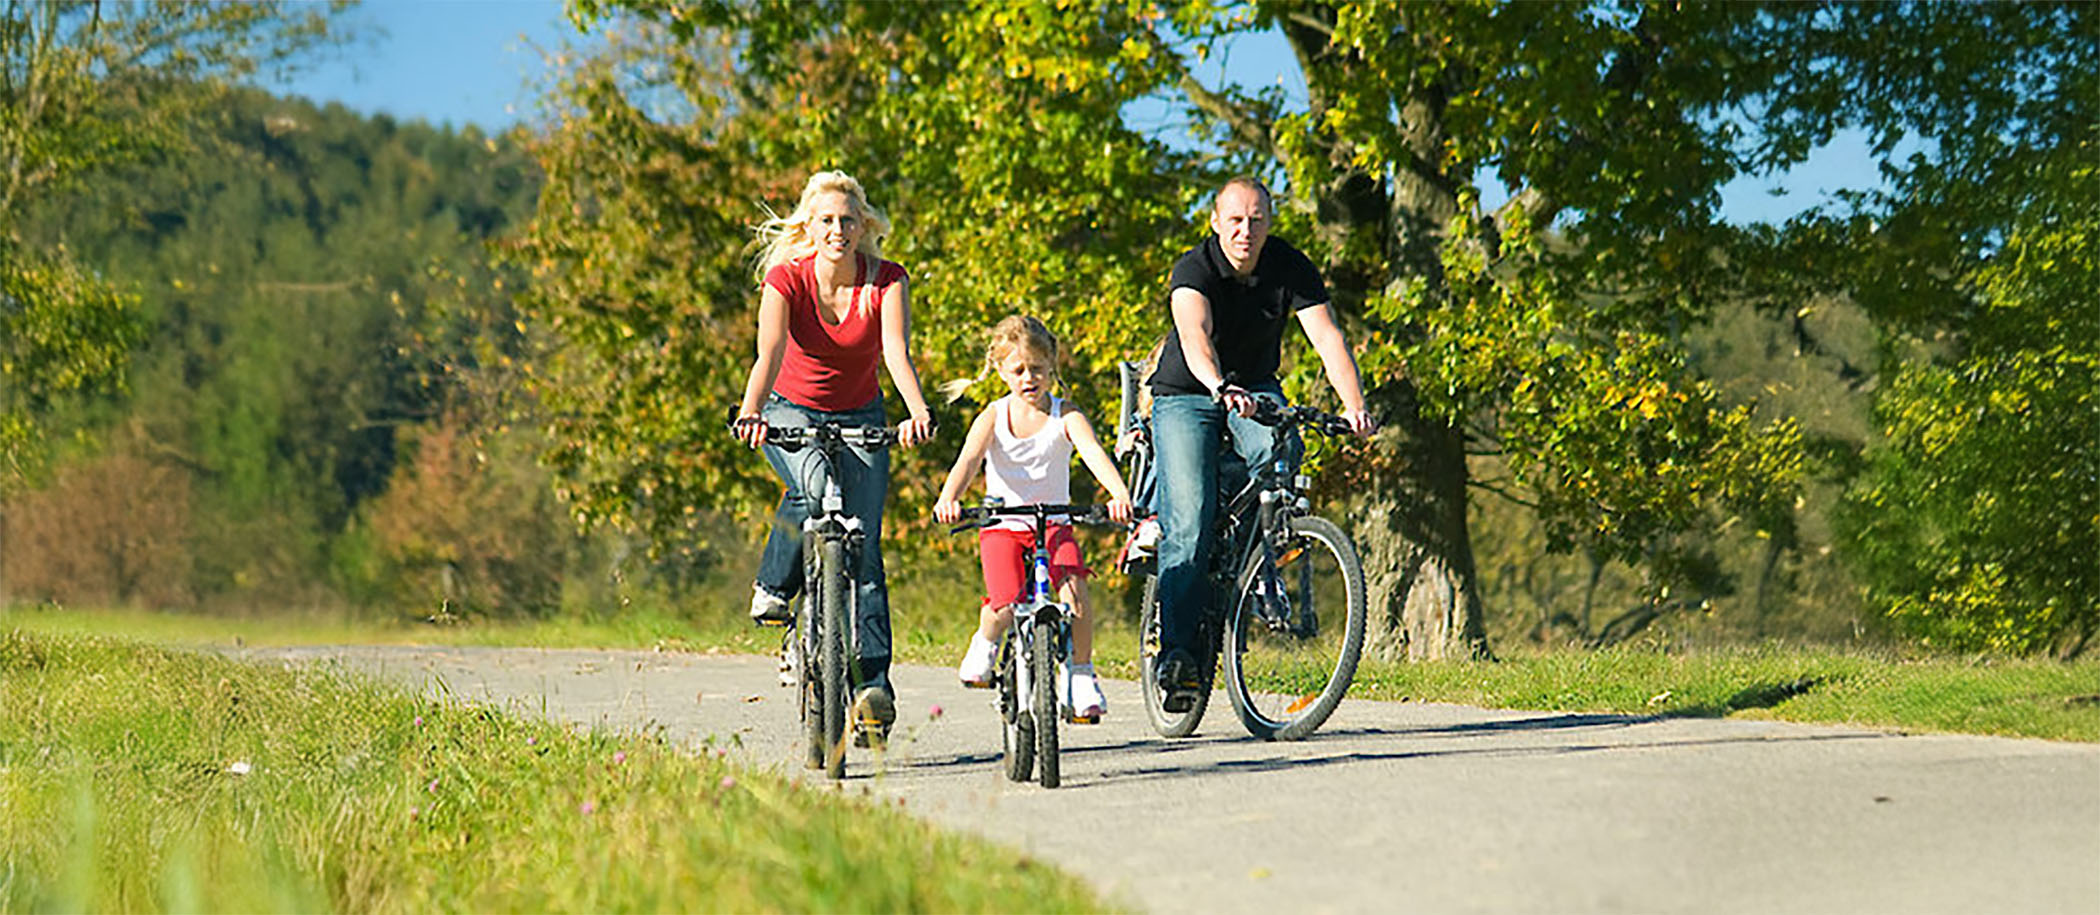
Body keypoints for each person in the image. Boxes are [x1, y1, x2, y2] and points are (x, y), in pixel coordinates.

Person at [1147, 176, 1377, 713]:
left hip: (1254, 386)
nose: (1244, 230)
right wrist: (1218, 386)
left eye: (1255, 220)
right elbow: (1194, 336)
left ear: (1269, 224)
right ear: (1215, 222)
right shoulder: (1194, 269)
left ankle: (1258, 551)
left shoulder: (1290, 266)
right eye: (1234, 219)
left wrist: (1354, 406)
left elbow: (1326, 338)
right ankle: (1178, 655)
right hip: (1188, 392)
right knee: (1190, 520)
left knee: (1283, 447)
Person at [731, 170, 936, 742]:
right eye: (826, 220)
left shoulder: (887, 281)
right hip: (788, 411)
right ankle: (775, 585)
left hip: (862, 416)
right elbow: (768, 352)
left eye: (847, 220)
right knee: (811, 490)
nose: (838, 229)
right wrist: (751, 411)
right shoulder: (786, 279)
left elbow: (895, 352)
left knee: (865, 553)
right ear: (808, 227)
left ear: (863, 225)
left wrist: (916, 412)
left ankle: (874, 689)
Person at [933, 316, 1135, 721]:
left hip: (1054, 525)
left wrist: (1119, 494)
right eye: (1019, 370)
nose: (1029, 378)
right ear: (1001, 370)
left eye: (1038, 369)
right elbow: (968, 461)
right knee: (1005, 606)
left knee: (1075, 591)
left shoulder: (1067, 415)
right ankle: (987, 641)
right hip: (1004, 525)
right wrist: (949, 497)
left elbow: (1094, 454)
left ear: (1051, 368)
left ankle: (1080, 673)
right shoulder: (992, 416)